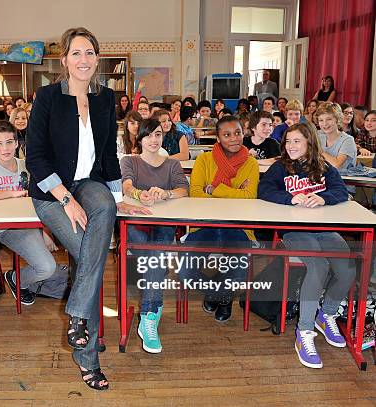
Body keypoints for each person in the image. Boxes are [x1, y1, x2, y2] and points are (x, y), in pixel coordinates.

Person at [26, 27, 149, 391]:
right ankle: (88, 358)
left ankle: (77, 317)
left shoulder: (105, 98)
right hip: (52, 192)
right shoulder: (47, 96)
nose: (84, 60)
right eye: (76, 53)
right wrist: (66, 199)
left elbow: (109, 155)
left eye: (90, 53)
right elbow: (35, 157)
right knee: (88, 259)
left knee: (106, 211)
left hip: (90, 183)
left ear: (97, 59)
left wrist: (119, 195)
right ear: (64, 59)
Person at [258, 123, 353, 369]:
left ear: (310, 142)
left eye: (297, 141)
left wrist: (324, 198)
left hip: (324, 230)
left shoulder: (323, 167)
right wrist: (290, 198)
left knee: (347, 270)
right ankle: (304, 332)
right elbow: (264, 190)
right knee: (318, 267)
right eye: (288, 141)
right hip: (295, 232)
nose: (291, 146)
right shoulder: (280, 168)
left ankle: (327, 313)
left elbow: (341, 191)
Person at [0, 120, 68, 305]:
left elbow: (47, 197)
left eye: (9, 142)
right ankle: (16, 279)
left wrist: (46, 231)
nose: (5, 148)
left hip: (34, 224)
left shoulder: (28, 165)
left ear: (17, 143)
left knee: (72, 248)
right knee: (46, 267)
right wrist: (12, 193)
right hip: (8, 228)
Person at [177, 115, 258, 322]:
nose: (234, 139)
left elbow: (249, 197)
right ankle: (220, 295)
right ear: (218, 138)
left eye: (238, 133)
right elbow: (195, 194)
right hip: (206, 225)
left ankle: (222, 296)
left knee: (240, 272)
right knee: (186, 271)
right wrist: (233, 191)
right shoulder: (204, 160)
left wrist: (215, 189)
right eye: (227, 134)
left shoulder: (250, 163)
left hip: (238, 226)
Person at [120, 118, 189, 354]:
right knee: (156, 258)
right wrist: (140, 194)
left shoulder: (172, 165)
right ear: (140, 139)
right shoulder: (129, 161)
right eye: (148, 135)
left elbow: (183, 190)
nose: (153, 140)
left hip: (163, 222)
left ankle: (148, 315)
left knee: (155, 256)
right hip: (135, 221)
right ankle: (151, 314)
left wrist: (166, 194)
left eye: (158, 135)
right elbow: (126, 187)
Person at [315, 102, 356, 172]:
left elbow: (336, 165)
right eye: (321, 120)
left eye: (329, 119)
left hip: (344, 180)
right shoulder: (317, 135)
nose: (325, 124)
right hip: (321, 178)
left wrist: (317, 150)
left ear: (337, 119)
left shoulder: (348, 140)